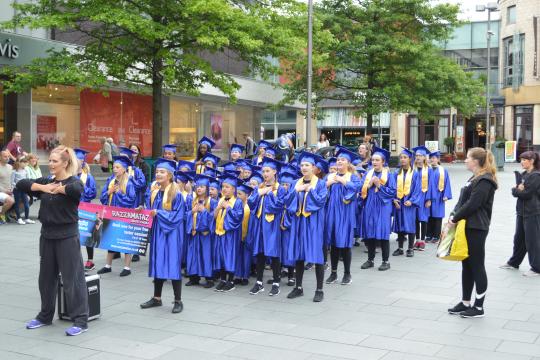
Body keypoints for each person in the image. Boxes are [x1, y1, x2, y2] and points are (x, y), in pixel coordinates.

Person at [17, 145, 89, 336]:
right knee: (46, 279)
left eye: (54, 161)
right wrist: (43, 187)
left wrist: (58, 189)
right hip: (47, 236)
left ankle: (80, 320)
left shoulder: (74, 181)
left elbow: (76, 189)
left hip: (67, 236)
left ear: (65, 163)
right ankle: (45, 316)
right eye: (49, 160)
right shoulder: (46, 181)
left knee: (72, 279)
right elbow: (22, 184)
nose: (50, 164)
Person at [447, 147, 497, 318]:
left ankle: (479, 307)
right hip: (466, 226)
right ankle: (465, 302)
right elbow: (463, 201)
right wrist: (453, 215)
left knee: (477, 265)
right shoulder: (474, 178)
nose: (465, 160)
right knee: (466, 265)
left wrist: (454, 219)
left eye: (468, 157)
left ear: (476, 161)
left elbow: (473, 204)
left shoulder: (485, 180)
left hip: (476, 227)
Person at [140, 159, 186, 313]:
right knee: (158, 261)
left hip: (172, 233)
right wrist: (144, 210)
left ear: (170, 175)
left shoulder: (176, 193)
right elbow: (151, 211)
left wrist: (158, 213)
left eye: (162, 172)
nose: (158, 174)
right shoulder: (154, 192)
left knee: (172, 263)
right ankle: (157, 298)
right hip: (159, 232)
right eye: (158, 171)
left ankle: (178, 300)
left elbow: (178, 216)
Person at [287, 151, 328, 302]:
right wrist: (296, 191)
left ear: (313, 167)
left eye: (307, 165)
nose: (304, 167)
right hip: (298, 223)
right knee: (299, 255)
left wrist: (310, 191)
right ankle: (298, 287)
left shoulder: (320, 183)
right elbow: (288, 202)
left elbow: (320, 202)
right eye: (302, 165)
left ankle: (319, 290)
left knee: (317, 256)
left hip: (314, 223)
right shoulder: (295, 183)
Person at [248, 157, 287, 296]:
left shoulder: (280, 189)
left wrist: (268, 194)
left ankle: (276, 282)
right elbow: (251, 203)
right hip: (260, 225)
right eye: (263, 171)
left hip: (273, 225)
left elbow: (278, 206)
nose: (265, 174)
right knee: (260, 253)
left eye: (268, 171)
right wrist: (259, 193)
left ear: (275, 172)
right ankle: (259, 283)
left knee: (274, 253)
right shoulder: (260, 187)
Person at [325, 146, 362, 283]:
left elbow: (356, 188)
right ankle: (333, 273)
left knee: (345, 245)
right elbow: (321, 192)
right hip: (332, 214)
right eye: (338, 160)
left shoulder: (352, 177)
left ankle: (347, 274)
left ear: (348, 163)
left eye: (342, 160)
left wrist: (342, 181)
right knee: (334, 244)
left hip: (346, 215)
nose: (339, 162)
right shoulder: (330, 177)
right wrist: (328, 183)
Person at [501, 151, 540, 276]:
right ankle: (514, 262)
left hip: (533, 212)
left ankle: (536, 268)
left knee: (532, 240)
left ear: (532, 161)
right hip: (521, 212)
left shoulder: (536, 176)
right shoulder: (524, 174)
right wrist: (518, 190)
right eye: (521, 159)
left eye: (524, 160)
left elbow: (527, 194)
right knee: (519, 239)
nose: (522, 162)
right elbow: (520, 191)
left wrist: (515, 190)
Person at [97, 156, 137, 277]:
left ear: (124, 169)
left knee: (125, 240)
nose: (115, 169)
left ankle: (127, 267)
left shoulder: (129, 182)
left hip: (123, 215)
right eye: (114, 167)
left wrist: (118, 193)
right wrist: (109, 192)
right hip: (110, 214)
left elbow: (131, 200)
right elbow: (103, 198)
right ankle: (108, 265)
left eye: (117, 167)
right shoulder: (111, 181)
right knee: (110, 239)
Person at [359, 146, 396, 271]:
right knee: (370, 233)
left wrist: (379, 185)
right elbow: (361, 191)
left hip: (383, 206)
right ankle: (370, 260)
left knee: (383, 233)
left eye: (377, 160)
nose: (374, 162)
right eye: (373, 160)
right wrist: (368, 185)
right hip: (370, 206)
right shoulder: (368, 174)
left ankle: (386, 261)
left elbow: (392, 192)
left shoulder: (389, 176)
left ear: (383, 162)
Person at [212, 174, 244, 292]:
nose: (224, 189)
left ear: (234, 189)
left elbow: (238, 217)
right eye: (223, 186)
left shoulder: (237, 202)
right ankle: (222, 280)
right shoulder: (220, 200)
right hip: (219, 233)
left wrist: (228, 208)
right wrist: (218, 208)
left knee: (229, 256)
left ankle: (230, 281)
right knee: (220, 256)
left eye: (227, 187)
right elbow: (214, 217)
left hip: (230, 234)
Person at [185, 174, 218, 288]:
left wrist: (204, 211)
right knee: (193, 255)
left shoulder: (212, 202)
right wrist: (192, 212)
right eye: (197, 186)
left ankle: (209, 279)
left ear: (207, 189)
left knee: (206, 255)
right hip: (194, 233)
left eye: (202, 187)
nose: (199, 188)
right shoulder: (192, 200)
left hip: (206, 235)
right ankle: (194, 277)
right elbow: (185, 215)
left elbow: (214, 218)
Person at [391, 148, 421, 257]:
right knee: (400, 225)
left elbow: (418, 190)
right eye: (401, 158)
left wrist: (412, 201)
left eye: (405, 157)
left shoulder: (415, 174)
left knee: (410, 225)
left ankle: (410, 248)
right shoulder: (395, 173)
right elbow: (392, 188)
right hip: (399, 203)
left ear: (410, 159)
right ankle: (400, 248)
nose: (402, 160)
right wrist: (394, 200)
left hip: (409, 204)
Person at [74, 149, 98, 271]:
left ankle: (90, 261)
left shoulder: (88, 177)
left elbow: (93, 193)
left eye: (78, 159)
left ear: (83, 161)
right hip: (72, 208)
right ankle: (75, 260)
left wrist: (82, 188)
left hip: (85, 209)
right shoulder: (69, 175)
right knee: (73, 235)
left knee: (87, 234)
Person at [426, 151, 452, 243]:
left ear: (438, 159)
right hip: (428, 196)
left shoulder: (443, 170)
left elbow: (447, 183)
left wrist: (446, 195)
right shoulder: (427, 169)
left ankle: (436, 236)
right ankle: (428, 235)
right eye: (431, 158)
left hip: (439, 196)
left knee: (437, 216)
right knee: (428, 216)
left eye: (434, 158)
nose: (432, 159)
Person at [412, 146, 433, 251]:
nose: (418, 157)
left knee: (423, 219)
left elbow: (431, 185)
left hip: (424, 197)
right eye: (417, 156)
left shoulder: (429, 170)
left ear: (425, 158)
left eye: (420, 156)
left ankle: (423, 241)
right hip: (415, 197)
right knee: (415, 219)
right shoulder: (413, 169)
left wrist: (429, 199)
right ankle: (417, 240)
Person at [235, 182, 254, 286]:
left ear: (246, 195)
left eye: (240, 194)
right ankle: (238, 275)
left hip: (247, 235)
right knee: (238, 255)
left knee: (246, 256)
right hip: (237, 235)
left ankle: (245, 276)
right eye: (237, 193)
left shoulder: (249, 207)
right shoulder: (236, 205)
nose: (237, 196)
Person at [11, 158, 34, 225]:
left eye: (26, 163)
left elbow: (27, 180)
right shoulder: (14, 171)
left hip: (24, 190)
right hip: (17, 190)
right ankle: (19, 218)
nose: (25, 164)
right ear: (20, 162)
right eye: (24, 162)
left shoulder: (25, 171)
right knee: (17, 203)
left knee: (26, 204)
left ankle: (27, 218)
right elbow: (12, 182)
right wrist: (18, 186)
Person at [0, 150, 14, 224]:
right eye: (5, 156)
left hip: (9, 190)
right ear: (0, 157)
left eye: (8, 156)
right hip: (1, 191)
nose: (7, 158)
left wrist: (12, 188)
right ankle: (1, 214)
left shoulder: (10, 167)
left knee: (27, 198)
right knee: (10, 201)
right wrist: (5, 191)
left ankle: (9, 213)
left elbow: (12, 180)